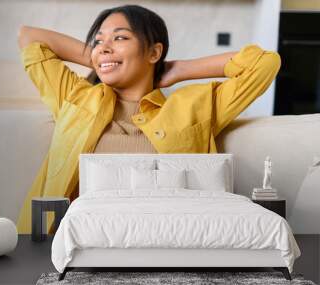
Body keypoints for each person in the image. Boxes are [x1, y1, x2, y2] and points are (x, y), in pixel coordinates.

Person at [16, 4, 281, 234]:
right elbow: (29, 37)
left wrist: (179, 69)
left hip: (163, 237)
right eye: (98, 40)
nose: (104, 46)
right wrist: (103, 58)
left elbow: (264, 64)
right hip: (73, 240)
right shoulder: (74, 96)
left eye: (120, 38)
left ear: (154, 52)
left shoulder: (193, 107)